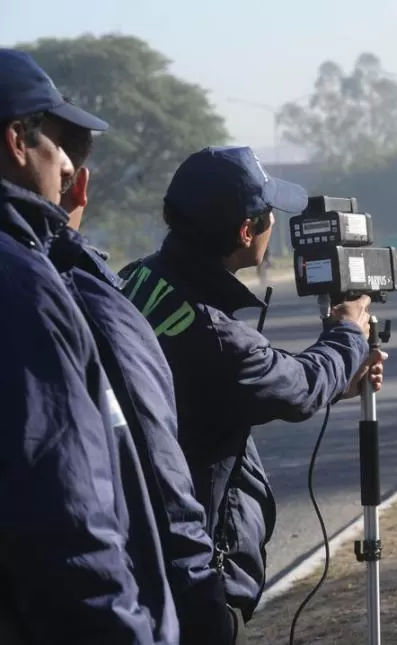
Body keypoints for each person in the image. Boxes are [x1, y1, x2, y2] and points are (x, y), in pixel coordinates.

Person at [119, 145, 386, 622]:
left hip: (134, 543)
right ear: (247, 231)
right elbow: (298, 385)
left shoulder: (134, 279)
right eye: (268, 217)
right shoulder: (216, 334)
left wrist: (339, 380)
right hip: (193, 567)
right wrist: (348, 330)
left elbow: (223, 388)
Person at [0, 48, 177, 644]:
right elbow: (69, 515)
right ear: (17, 141)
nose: (69, 166)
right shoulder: (22, 286)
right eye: (58, 143)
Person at [55, 126, 246, 644]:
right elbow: (153, 465)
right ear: (79, 186)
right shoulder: (88, 297)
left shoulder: (133, 278)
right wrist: (346, 337)